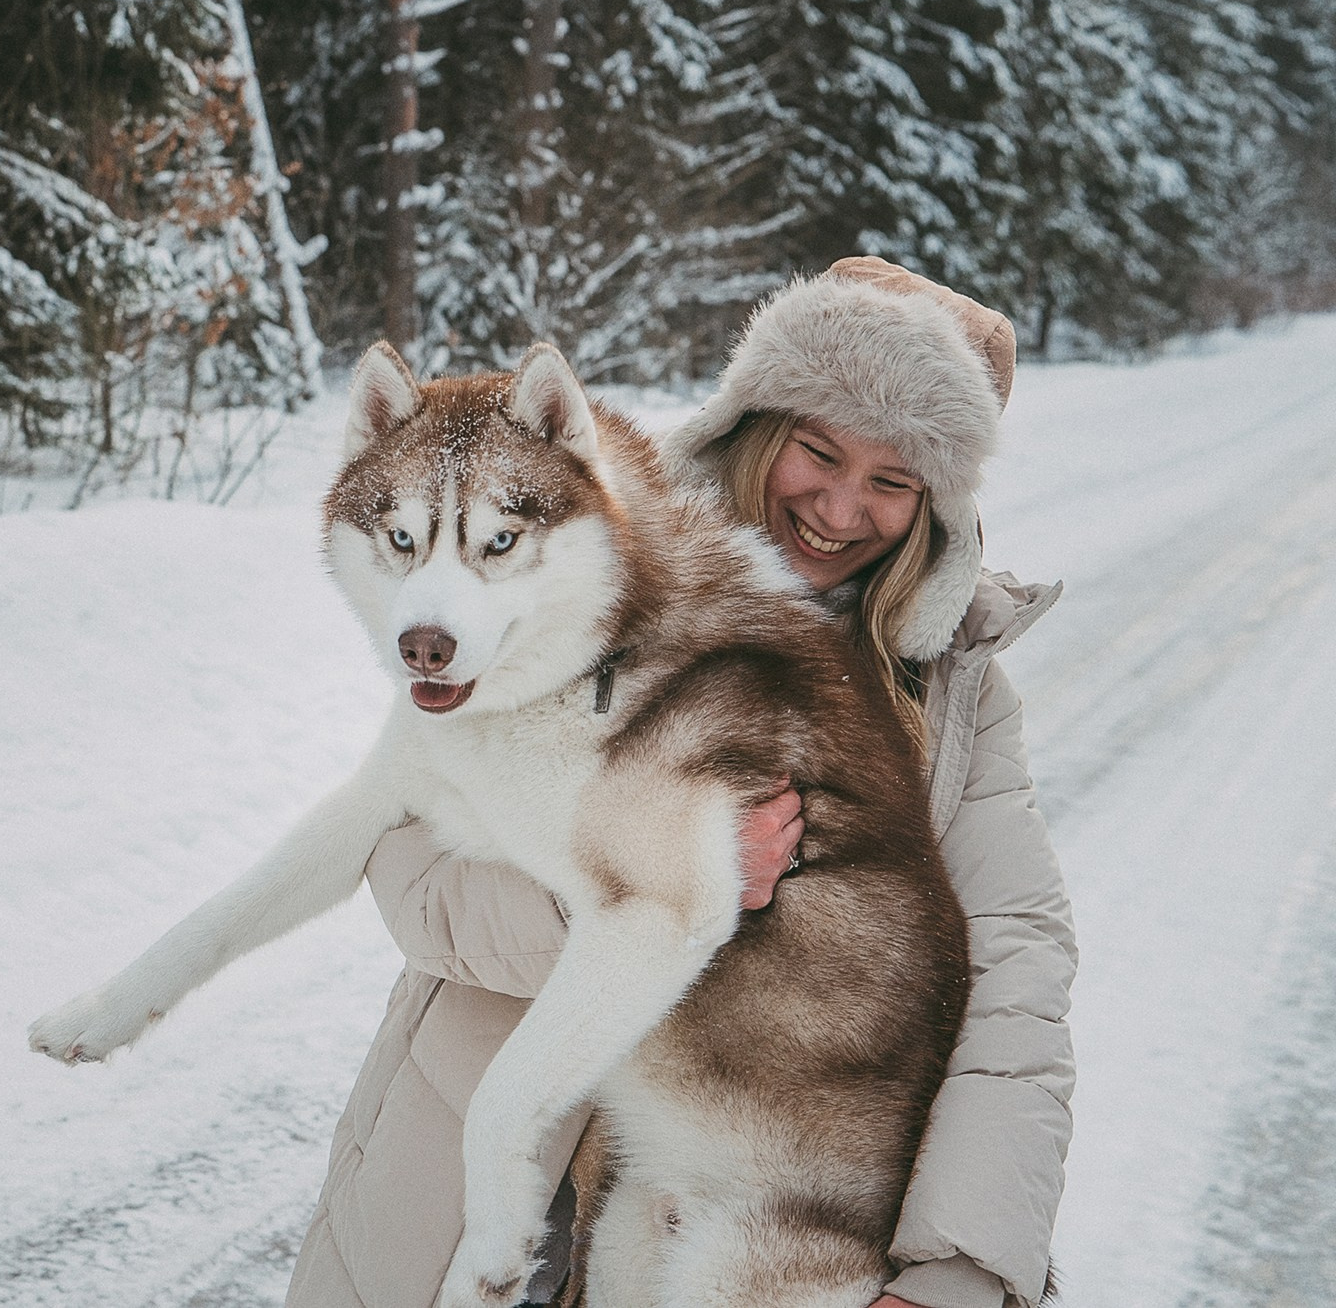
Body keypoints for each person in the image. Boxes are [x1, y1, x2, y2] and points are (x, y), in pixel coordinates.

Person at [285, 257, 1075, 1308]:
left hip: (766, 1240)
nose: (840, 508)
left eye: (892, 481)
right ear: (755, 424)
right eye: (818, 450)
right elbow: (407, 874)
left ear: (933, 502)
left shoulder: (955, 693)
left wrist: (954, 1272)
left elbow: (1016, 980)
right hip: (480, 1199)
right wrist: (641, 898)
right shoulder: (564, 581)